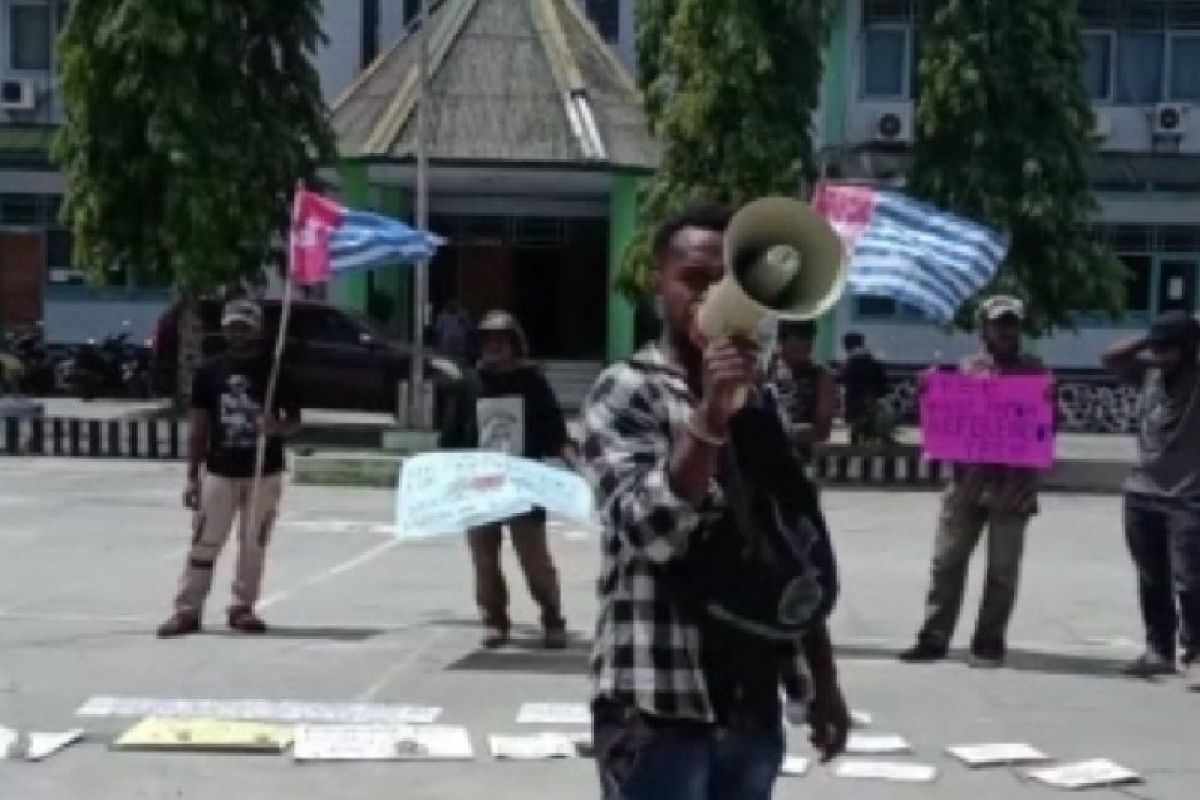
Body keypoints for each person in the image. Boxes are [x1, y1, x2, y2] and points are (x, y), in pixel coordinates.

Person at [580, 205, 849, 800]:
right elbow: (651, 530)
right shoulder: (627, 389)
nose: (708, 296)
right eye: (693, 279)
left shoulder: (763, 401)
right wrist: (709, 415)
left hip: (749, 699)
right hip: (657, 700)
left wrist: (821, 683)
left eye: (723, 281)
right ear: (659, 281)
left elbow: (793, 543)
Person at [899, 295, 1054, 669]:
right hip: (967, 480)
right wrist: (929, 393)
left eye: (1011, 324)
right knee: (947, 561)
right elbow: (941, 421)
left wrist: (1049, 400)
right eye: (998, 324)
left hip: (1013, 484)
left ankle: (988, 640)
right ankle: (934, 636)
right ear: (983, 327)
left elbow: (1044, 426)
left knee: (1002, 569)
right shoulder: (964, 370)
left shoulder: (1036, 373)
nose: (1005, 331)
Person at [157, 299, 301, 637]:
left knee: (254, 542)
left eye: (245, 327)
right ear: (224, 329)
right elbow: (199, 426)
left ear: (258, 330)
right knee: (205, 540)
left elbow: (294, 421)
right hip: (220, 470)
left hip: (263, 471)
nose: (239, 334)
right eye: (233, 327)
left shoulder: (275, 369)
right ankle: (187, 609)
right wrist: (192, 476)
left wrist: (276, 428)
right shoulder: (210, 371)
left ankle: (242, 606)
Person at [438, 310, 572, 650]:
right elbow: (452, 437)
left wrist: (573, 461)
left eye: (501, 340)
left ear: (515, 344)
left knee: (535, 561)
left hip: (523, 486)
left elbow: (554, 432)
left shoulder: (533, 383)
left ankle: (552, 616)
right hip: (479, 487)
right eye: (487, 340)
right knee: (484, 560)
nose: (494, 346)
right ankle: (495, 620)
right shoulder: (469, 384)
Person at [1102, 311, 1200, 690]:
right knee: (1150, 577)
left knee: (1190, 580)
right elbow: (1109, 359)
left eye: (1170, 348)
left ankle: (1195, 655)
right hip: (1142, 492)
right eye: (1157, 348)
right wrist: (1151, 339)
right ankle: (1158, 649)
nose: (1162, 356)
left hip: (1188, 495)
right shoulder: (1148, 371)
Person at [765, 319, 837, 464]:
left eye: (808, 343)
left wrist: (783, 431)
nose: (806, 349)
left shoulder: (822, 375)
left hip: (797, 462)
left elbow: (823, 430)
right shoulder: (765, 371)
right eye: (796, 346)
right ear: (781, 342)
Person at [840, 332, 892, 445]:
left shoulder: (851, 359)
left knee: (858, 423)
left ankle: (858, 433)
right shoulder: (870, 358)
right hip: (870, 397)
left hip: (856, 400)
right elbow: (881, 381)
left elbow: (846, 380)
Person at [434, 298, 473, 364]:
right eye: (451, 305)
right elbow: (438, 331)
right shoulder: (442, 315)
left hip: (460, 344)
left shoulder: (463, 314)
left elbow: (469, 328)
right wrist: (438, 344)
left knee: (460, 360)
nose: (453, 306)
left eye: (455, 304)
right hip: (446, 344)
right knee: (447, 361)